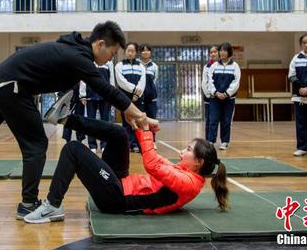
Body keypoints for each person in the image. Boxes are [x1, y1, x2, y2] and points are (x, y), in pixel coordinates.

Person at [0, 21, 149, 218]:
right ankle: (28, 204)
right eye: (111, 53)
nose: (110, 58)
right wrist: (137, 112)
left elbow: (67, 79)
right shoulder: (79, 57)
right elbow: (104, 88)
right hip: (11, 86)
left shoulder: (72, 50)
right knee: (36, 144)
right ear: (100, 44)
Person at [23, 111, 229, 223]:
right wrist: (139, 127)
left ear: (199, 162)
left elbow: (152, 164)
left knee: (73, 149)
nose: (181, 152)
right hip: (122, 183)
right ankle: (66, 118)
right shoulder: (184, 172)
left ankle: (52, 206)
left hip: (116, 198)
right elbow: (157, 159)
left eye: (188, 149)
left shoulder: (188, 184)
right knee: (120, 135)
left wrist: (146, 130)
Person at [206, 42, 241, 150]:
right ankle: (211, 141)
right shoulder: (214, 66)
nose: (222, 52)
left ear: (229, 52)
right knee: (213, 120)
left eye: (224, 50)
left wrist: (226, 94)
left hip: (229, 99)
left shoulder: (235, 66)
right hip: (215, 99)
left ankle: (225, 141)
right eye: (220, 50)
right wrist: (216, 93)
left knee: (226, 120)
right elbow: (210, 81)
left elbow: (236, 82)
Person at [115, 42, 146, 152]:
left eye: (133, 51)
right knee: (127, 122)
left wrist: (137, 94)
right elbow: (121, 81)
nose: (130, 53)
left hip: (138, 97)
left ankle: (137, 144)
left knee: (138, 121)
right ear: (125, 52)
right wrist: (134, 90)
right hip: (125, 98)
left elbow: (143, 82)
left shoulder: (141, 66)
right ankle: (128, 144)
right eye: (128, 51)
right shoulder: (119, 66)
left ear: (136, 53)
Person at [79, 60, 115, 152]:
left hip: (105, 96)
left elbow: (111, 80)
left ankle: (104, 145)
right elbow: (83, 79)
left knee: (105, 121)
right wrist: (82, 95)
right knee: (91, 121)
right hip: (91, 95)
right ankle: (92, 145)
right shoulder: (88, 62)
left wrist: (112, 95)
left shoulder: (109, 63)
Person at [139, 44, 159, 133]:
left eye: (148, 50)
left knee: (151, 118)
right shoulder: (137, 65)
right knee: (140, 119)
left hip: (151, 97)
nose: (145, 52)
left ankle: (152, 140)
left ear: (150, 52)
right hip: (139, 96)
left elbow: (155, 80)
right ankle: (139, 141)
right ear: (140, 53)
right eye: (143, 50)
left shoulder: (154, 66)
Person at [202, 45, 219, 144]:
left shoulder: (222, 66)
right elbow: (204, 82)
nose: (212, 54)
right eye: (211, 52)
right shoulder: (206, 66)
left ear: (219, 53)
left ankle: (217, 139)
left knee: (216, 119)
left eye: (214, 52)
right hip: (209, 97)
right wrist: (208, 94)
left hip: (219, 96)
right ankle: (208, 141)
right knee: (209, 119)